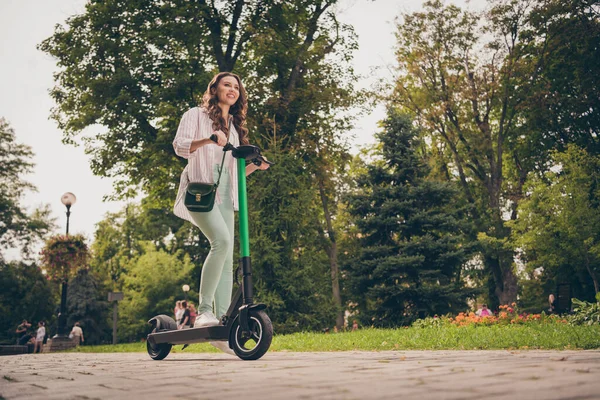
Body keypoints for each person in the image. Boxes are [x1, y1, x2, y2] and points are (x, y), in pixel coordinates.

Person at [172, 72, 269, 330]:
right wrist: (208, 139)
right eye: (227, 85)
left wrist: (254, 167)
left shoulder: (235, 128)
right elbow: (179, 146)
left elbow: (233, 173)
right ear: (214, 89)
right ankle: (204, 312)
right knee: (221, 241)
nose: (232, 90)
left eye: (236, 87)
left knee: (227, 259)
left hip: (226, 193)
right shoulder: (195, 115)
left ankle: (224, 321)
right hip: (201, 191)